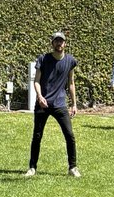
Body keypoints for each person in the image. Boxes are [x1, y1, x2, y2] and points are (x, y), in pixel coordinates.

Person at [26, 31, 79, 177]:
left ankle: (72, 168)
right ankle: (32, 168)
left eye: (61, 41)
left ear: (65, 44)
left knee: (69, 135)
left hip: (60, 104)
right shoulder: (43, 59)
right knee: (37, 135)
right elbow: (36, 81)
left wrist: (74, 104)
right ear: (52, 43)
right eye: (56, 41)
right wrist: (40, 96)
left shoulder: (70, 61)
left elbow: (71, 83)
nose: (59, 44)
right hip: (43, 104)